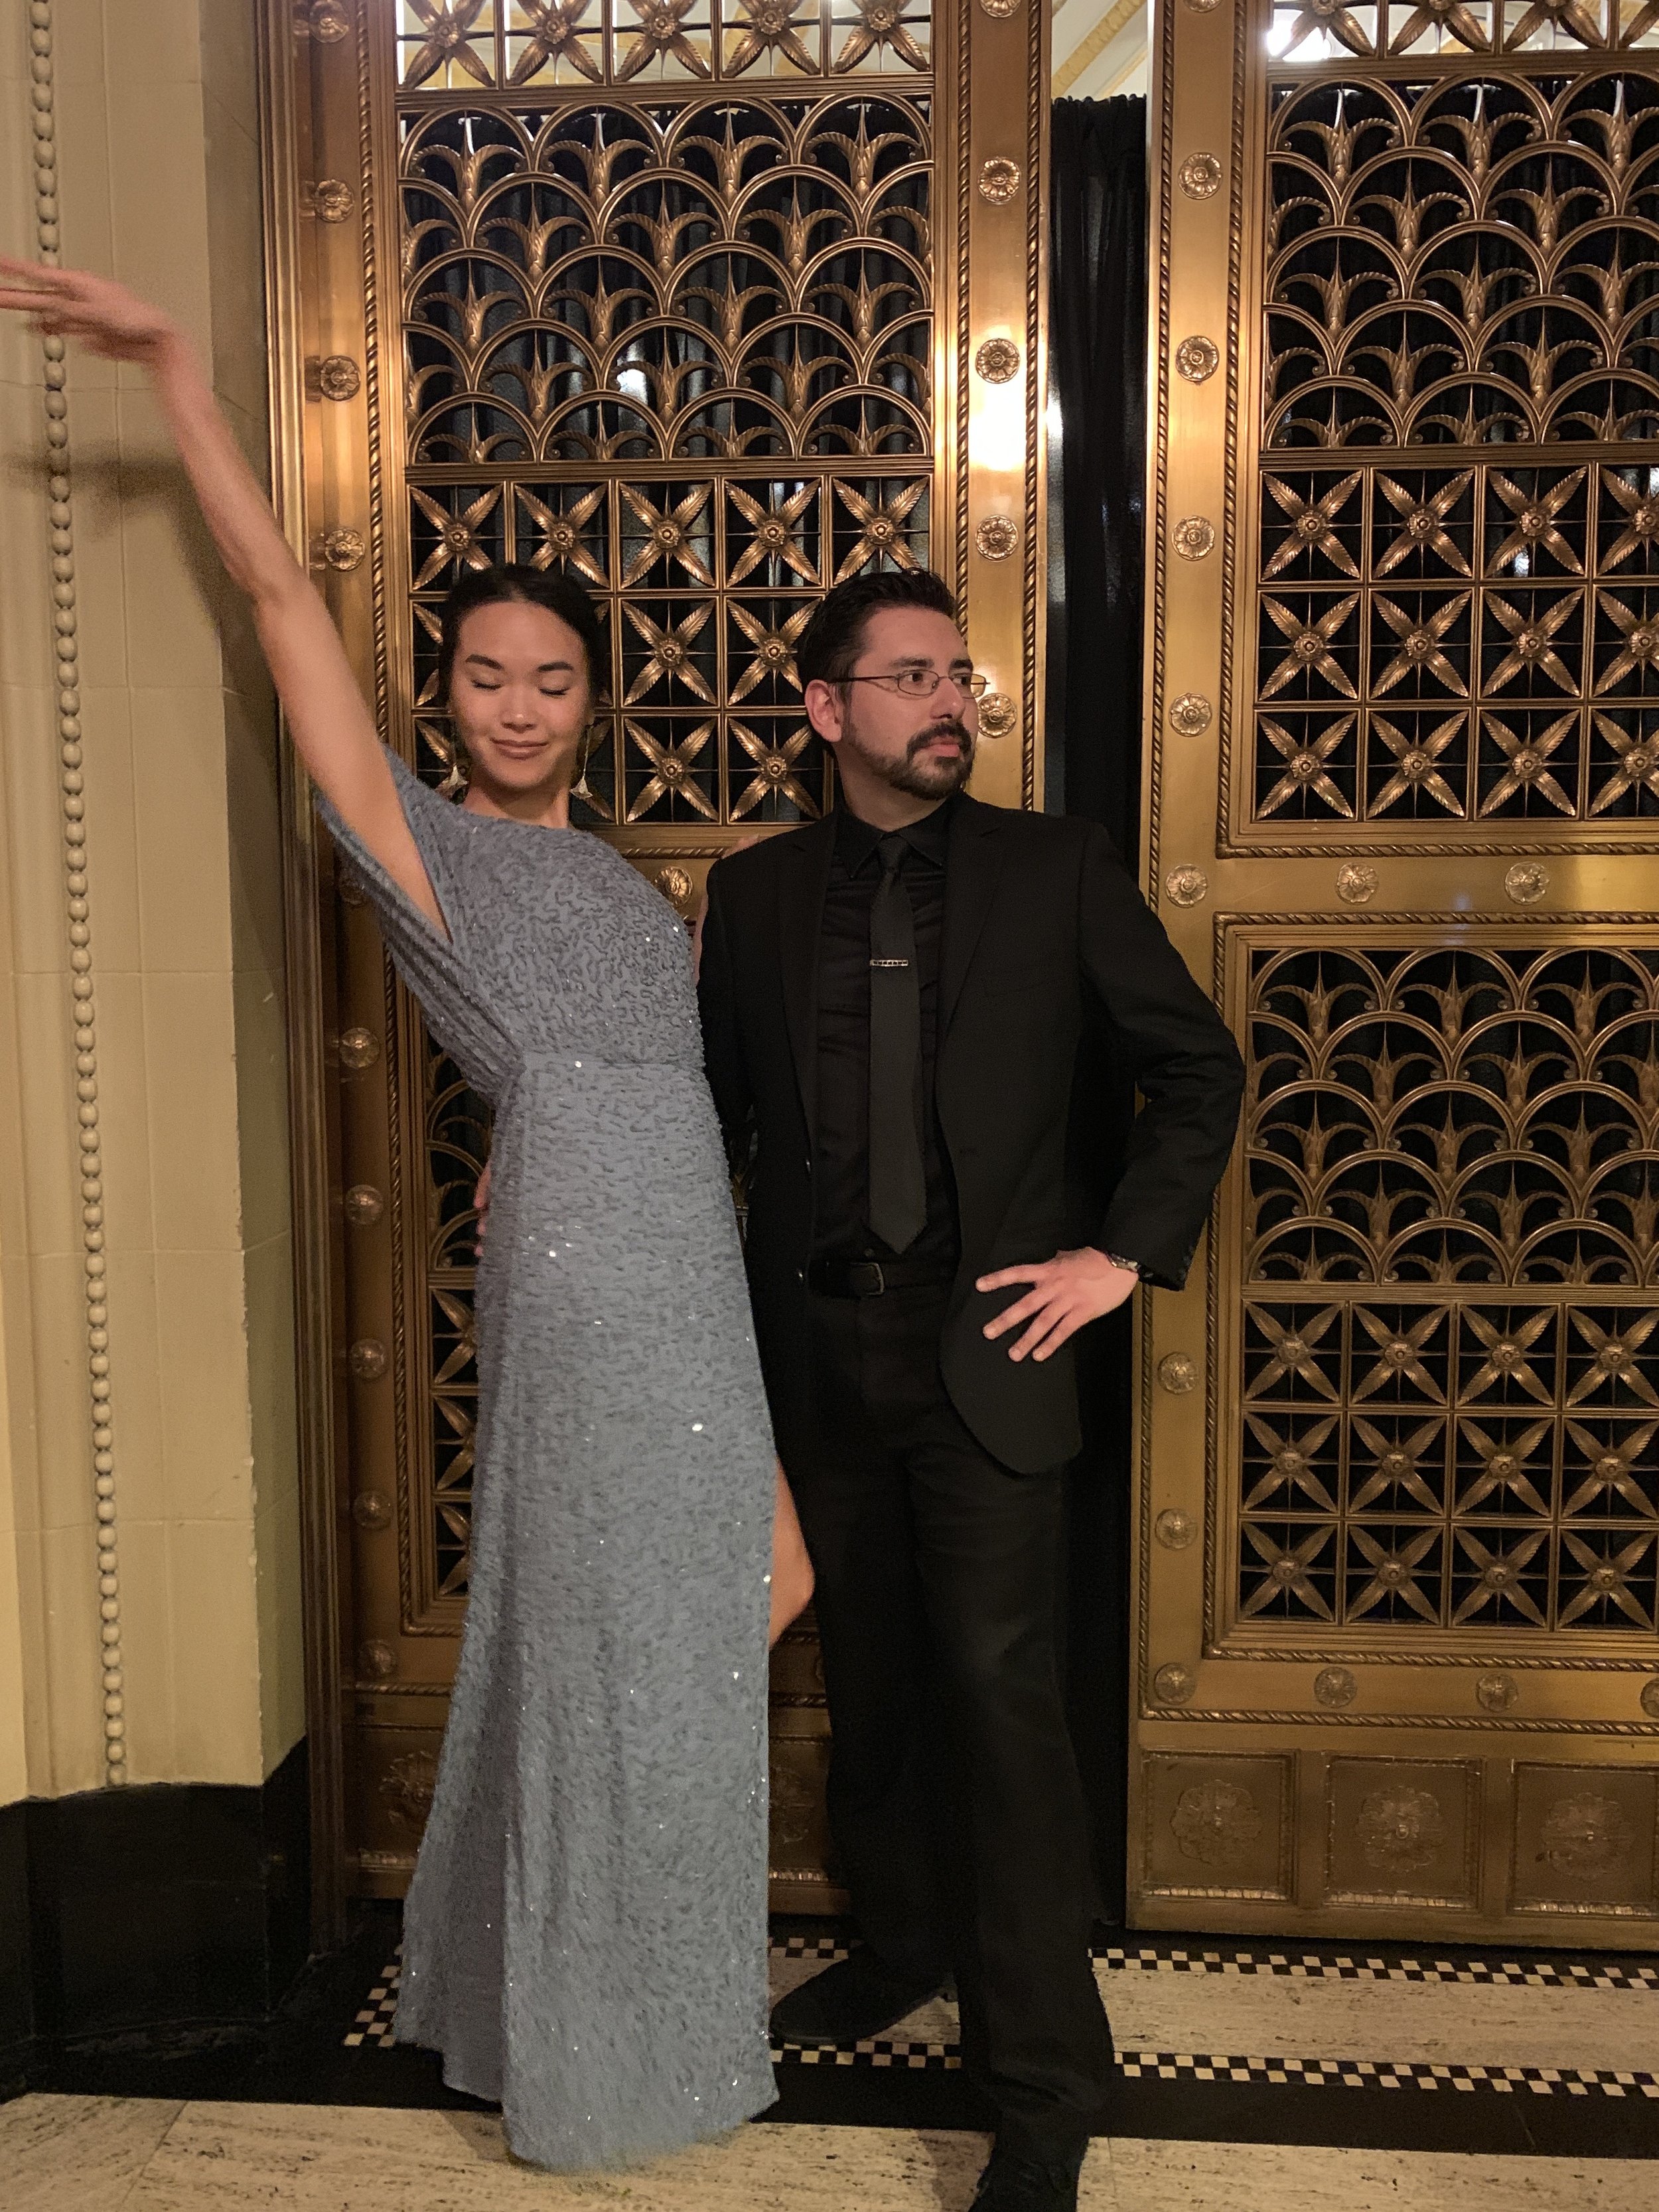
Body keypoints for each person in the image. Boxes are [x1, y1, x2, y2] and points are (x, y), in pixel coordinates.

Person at [0, 259, 814, 2172]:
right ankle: (593, 2049)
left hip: (685, 1245)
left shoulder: (625, 876)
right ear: (442, 696)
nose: (519, 704)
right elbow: (282, 601)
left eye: (552, 677)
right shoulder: (419, 841)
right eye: (483, 674)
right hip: (586, 1249)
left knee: (736, 1595)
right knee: (617, 1626)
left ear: (592, 698)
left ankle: (547, 1990)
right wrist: (179, 375)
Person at [697, 569, 1244, 2212]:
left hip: (991, 1350)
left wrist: (1116, 1258)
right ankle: (900, 1941)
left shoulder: (1050, 867)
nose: (953, 701)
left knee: (1000, 1706)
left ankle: (1041, 2091)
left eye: (961, 675)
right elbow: (709, 1120)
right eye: (912, 675)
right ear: (825, 707)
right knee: (867, 1681)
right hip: (813, 1349)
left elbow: (1196, 1068)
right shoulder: (757, 893)